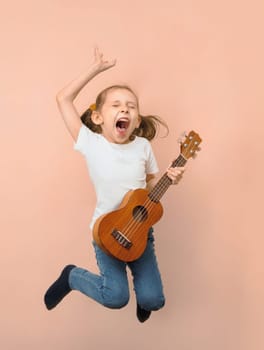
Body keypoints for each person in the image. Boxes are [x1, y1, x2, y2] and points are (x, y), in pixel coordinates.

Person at [44, 47, 185, 323]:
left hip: (141, 234)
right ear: (98, 117)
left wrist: (170, 178)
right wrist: (95, 69)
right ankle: (71, 276)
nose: (125, 109)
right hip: (107, 233)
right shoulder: (91, 143)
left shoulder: (143, 146)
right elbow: (63, 99)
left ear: (136, 121)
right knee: (116, 297)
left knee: (153, 300)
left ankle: (145, 296)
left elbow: (147, 187)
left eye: (131, 107)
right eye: (117, 105)